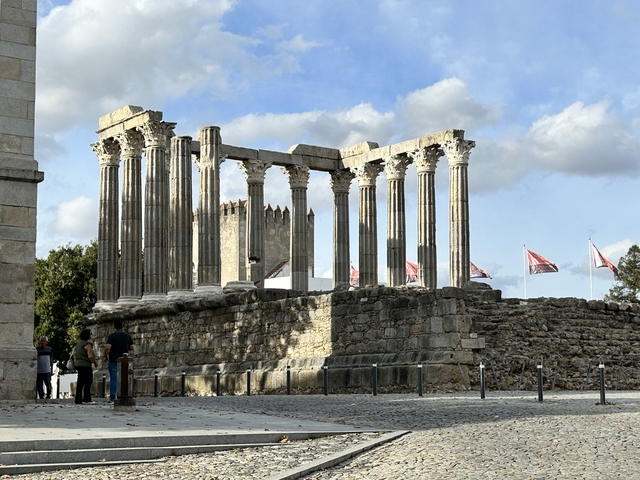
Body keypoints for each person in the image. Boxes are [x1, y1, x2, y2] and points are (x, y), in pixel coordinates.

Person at [103, 320, 134, 401]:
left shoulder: (112, 336)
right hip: (124, 360)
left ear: (114, 327)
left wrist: (105, 356)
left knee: (113, 379)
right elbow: (132, 347)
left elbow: (107, 347)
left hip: (114, 359)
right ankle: (124, 395)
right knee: (124, 378)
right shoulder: (127, 336)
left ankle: (113, 396)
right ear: (122, 327)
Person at [74, 329, 98, 404]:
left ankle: (78, 399)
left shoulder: (78, 344)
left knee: (80, 382)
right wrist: (95, 363)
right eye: (90, 334)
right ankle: (87, 398)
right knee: (88, 381)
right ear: (87, 335)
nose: (91, 335)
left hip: (78, 364)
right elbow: (90, 356)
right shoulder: (88, 344)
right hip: (85, 365)